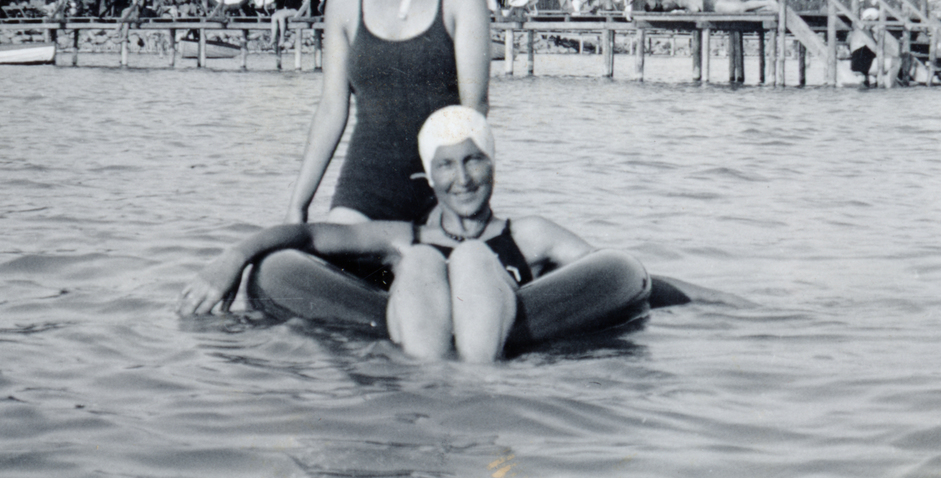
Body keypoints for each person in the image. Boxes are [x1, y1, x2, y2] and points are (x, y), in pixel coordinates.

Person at [182, 107, 645, 362]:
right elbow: (305, 237)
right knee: (424, 260)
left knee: (472, 258)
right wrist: (233, 257)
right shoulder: (404, 238)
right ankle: (434, 383)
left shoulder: (530, 235)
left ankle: (471, 381)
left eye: (473, 160)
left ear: (493, 165)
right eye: (445, 165)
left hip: (507, 342)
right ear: (429, 177)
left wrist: (705, 300)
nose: (461, 179)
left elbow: (609, 276)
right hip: (419, 337)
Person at [284, 0, 491, 224]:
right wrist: (298, 205)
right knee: (290, 269)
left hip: (442, 190)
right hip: (364, 193)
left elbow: (474, 106)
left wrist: (458, 201)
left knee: (428, 271)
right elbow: (332, 110)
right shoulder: (344, 2)